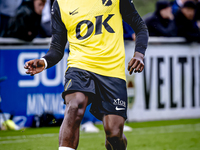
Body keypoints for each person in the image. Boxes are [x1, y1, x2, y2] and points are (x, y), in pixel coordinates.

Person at [24, 0, 148, 149]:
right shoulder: (60, 4)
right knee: (74, 106)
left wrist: (139, 54)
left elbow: (140, 27)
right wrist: (45, 61)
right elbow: (57, 47)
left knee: (114, 134)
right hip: (80, 66)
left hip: (112, 69)